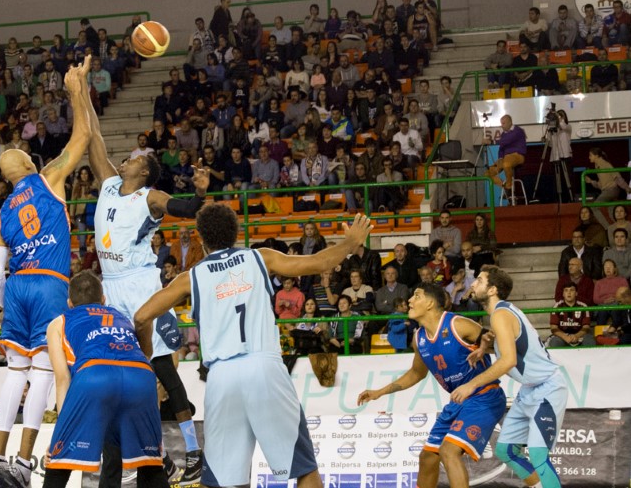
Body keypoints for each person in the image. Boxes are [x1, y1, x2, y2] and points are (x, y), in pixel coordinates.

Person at [134, 206, 373, 488]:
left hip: (221, 377)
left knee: (222, 481)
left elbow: (141, 317)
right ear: (235, 233)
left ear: (201, 238)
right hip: (263, 366)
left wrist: (146, 351)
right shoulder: (261, 257)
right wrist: (350, 243)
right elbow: (320, 262)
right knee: (304, 469)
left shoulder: (191, 277)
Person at [86, 92, 210, 481]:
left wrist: (201, 191)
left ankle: (194, 452)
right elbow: (93, 140)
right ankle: (157, 455)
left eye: (136, 159)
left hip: (141, 287)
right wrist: (83, 95)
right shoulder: (109, 185)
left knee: (162, 370)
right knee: (125, 374)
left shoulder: (149, 197)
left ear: (144, 172)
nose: (128, 158)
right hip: (112, 287)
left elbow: (188, 210)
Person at [0, 57, 93, 488]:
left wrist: (6, 301)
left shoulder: (0, 215)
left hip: (16, 286)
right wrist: (76, 91)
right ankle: (24, 463)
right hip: (50, 282)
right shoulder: (48, 178)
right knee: (44, 373)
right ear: (30, 165)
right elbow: (83, 137)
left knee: (15, 372)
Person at [357, 283, 505, 488]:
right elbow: (416, 373)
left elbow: (501, 346)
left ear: (430, 303)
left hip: (484, 396)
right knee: (428, 457)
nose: (409, 300)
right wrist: (379, 392)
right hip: (458, 401)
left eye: (416, 296)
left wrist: (487, 342)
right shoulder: (419, 338)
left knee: (448, 451)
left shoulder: (458, 324)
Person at [43, 271, 168, 488]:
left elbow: (63, 379)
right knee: (150, 465)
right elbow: (143, 351)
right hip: (141, 375)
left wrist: (61, 435)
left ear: (69, 303)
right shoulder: (121, 316)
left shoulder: (58, 322)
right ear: (103, 300)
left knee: (59, 462)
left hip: (95, 374)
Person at [458, 265, 569, 488]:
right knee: (505, 450)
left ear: (492, 290)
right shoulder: (501, 314)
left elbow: (509, 361)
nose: (473, 284)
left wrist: (471, 385)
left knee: (537, 454)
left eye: (479, 280)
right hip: (530, 389)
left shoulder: (501, 315)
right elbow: (515, 346)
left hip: (547, 387)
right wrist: (486, 346)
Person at [486, 115, 526, 192]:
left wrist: (491, 142)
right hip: (505, 158)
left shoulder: (518, 131)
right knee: (487, 174)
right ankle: (504, 187)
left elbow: (508, 140)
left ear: (510, 122)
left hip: (517, 155)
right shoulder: (503, 134)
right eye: (501, 123)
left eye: (503, 123)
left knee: (506, 164)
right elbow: (501, 148)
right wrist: (500, 158)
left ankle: (509, 186)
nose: (502, 125)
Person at [547, 283, 595, 347]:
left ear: (576, 293)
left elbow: (586, 327)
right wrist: (565, 337)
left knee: (590, 340)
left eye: (572, 290)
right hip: (562, 337)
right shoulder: (557, 307)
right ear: (563, 294)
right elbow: (553, 328)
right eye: (566, 290)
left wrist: (576, 336)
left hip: (580, 336)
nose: (569, 293)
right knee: (555, 342)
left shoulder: (583, 306)